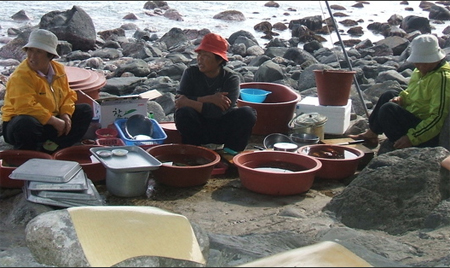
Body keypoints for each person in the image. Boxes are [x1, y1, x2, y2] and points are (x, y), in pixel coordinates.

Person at [349, 34, 450, 149]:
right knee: (388, 95)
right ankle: (371, 134)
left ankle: (401, 145)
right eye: (417, 62)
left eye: (423, 63)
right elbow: (413, 93)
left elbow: (438, 117)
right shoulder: (421, 71)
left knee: (387, 110)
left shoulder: (442, 78)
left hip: (426, 132)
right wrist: (402, 99)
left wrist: (412, 138)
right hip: (414, 115)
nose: (419, 66)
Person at [2, 29, 93, 153]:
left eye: (38, 52)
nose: (32, 57)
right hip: (20, 124)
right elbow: (24, 107)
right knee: (25, 123)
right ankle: (29, 152)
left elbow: (68, 95)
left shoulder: (58, 70)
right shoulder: (21, 75)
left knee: (85, 110)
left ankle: (55, 147)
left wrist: (66, 114)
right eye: (30, 50)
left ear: (50, 56)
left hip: (50, 121)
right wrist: (54, 121)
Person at [174, 33, 257, 152]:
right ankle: (193, 151)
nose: (200, 59)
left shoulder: (231, 78)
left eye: (206, 55)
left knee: (248, 113)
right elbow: (179, 102)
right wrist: (209, 99)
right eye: (199, 54)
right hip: (198, 127)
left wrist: (189, 101)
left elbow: (218, 112)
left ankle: (230, 153)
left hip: (221, 128)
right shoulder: (191, 73)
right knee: (183, 112)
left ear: (219, 60)